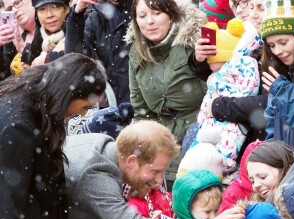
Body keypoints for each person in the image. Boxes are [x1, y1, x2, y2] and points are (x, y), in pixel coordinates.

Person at [61, 120, 246, 219]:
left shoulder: (107, 149)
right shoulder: (96, 175)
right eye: (155, 171)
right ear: (131, 161)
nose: (159, 181)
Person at [0, 53, 106, 219]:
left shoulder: (38, 103)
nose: (82, 115)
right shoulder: (18, 123)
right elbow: (6, 200)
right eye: (86, 106)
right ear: (70, 92)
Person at [126, 0, 208, 187]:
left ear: (170, 15)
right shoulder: (136, 52)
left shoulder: (192, 43)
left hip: (199, 138)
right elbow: (141, 111)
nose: (150, 21)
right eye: (143, 15)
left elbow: (212, 94)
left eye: (156, 13)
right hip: (162, 145)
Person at [191, 18, 260, 174]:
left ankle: (224, 164)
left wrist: (218, 105)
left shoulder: (243, 63)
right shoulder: (218, 72)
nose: (250, 12)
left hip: (236, 124)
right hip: (218, 120)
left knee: (225, 146)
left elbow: (249, 93)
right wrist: (198, 60)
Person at [65, 0, 132, 104]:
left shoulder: (141, 9)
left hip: (143, 103)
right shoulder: (96, 16)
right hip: (114, 106)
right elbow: (74, 57)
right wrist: (76, 15)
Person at [260, 0, 294, 152]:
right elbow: (272, 131)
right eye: (271, 45)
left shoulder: (280, 86)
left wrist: (284, 93)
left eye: (283, 42)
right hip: (287, 167)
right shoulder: (280, 74)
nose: (277, 51)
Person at [24, 0, 70, 66]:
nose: (49, 15)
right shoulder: (38, 39)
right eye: (42, 9)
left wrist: (51, 57)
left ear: (66, 9)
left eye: (55, 7)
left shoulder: (79, 32)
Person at [0, 0, 35, 79]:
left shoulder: (53, 29)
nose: (14, 11)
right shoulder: (12, 38)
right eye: (10, 8)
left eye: (17, 3)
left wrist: (23, 48)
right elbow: (4, 76)